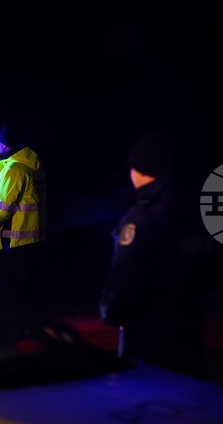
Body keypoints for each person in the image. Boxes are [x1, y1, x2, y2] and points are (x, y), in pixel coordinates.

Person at [99, 131, 206, 377]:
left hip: (148, 335)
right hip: (190, 328)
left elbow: (125, 277)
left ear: (137, 169)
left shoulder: (142, 217)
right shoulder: (194, 213)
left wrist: (111, 312)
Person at [0, 124, 48, 308]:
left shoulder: (14, 170)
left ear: (5, 144)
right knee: (31, 298)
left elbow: (1, 212)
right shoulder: (34, 164)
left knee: (13, 299)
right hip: (37, 240)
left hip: (17, 243)